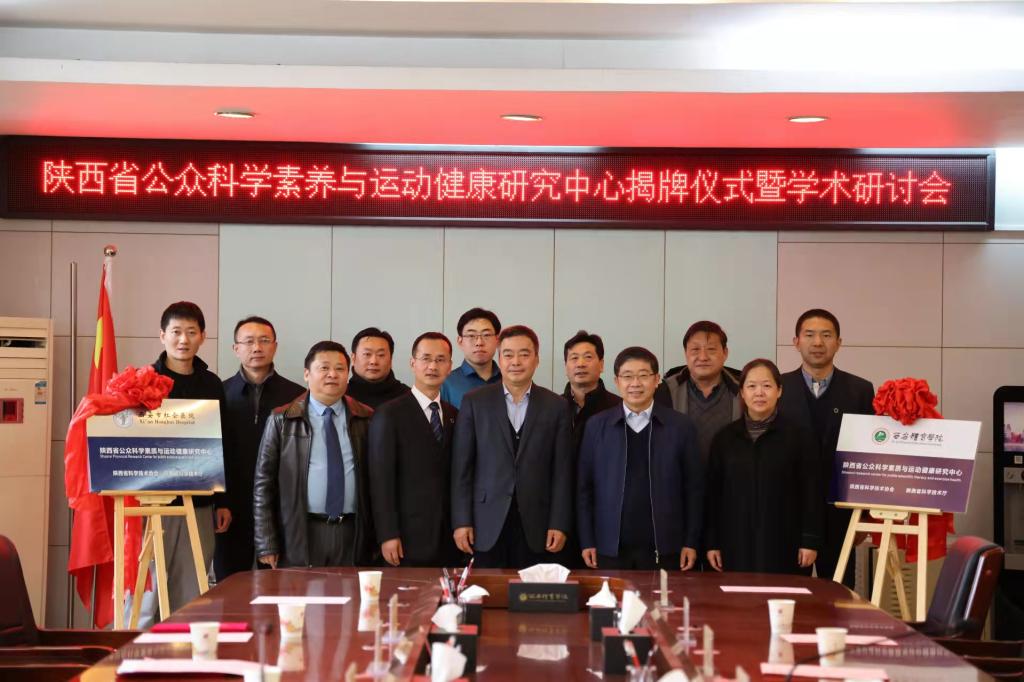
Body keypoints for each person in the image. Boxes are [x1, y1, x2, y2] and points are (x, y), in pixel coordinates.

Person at [451, 325, 573, 568]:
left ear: (536, 359)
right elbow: (462, 468)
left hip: (538, 523)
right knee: (486, 589)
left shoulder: (556, 405)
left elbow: (562, 471)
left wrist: (559, 523)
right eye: (508, 354)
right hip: (485, 521)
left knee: (533, 589)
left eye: (524, 354)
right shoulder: (475, 402)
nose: (516, 361)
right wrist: (461, 521)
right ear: (499, 359)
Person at [578, 346, 703, 571]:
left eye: (643, 375)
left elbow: (694, 489)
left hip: (667, 547)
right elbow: (584, 488)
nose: (635, 383)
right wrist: (587, 540)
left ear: (656, 380)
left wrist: (691, 541)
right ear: (617, 381)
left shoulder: (680, 427)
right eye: (627, 376)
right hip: (610, 547)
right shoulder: (597, 426)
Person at [253, 341, 376, 568]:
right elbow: (263, 484)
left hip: (353, 531)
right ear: (307, 374)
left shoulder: (366, 418)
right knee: (302, 591)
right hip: (301, 531)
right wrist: (266, 542)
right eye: (324, 368)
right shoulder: (282, 419)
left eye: (340, 369)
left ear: (348, 375)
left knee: (350, 591)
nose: (332, 374)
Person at [777, 308, 874, 585]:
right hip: (790, 513)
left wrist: (864, 516)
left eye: (826, 335)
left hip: (840, 514)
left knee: (839, 595)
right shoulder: (778, 387)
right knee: (790, 594)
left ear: (838, 342)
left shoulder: (860, 390)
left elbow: (867, 457)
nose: (818, 342)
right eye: (809, 335)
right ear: (796, 342)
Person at [705, 359, 821, 575]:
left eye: (767, 386)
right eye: (751, 386)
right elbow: (713, 496)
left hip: (786, 543)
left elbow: (812, 491)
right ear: (742, 392)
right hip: (735, 543)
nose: (759, 393)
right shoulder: (724, 439)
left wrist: (810, 540)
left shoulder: (799, 436)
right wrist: (712, 543)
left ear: (779, 391)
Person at [151, 301, 232, 611]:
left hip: (200, 501)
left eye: (191, 332)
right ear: (162, 336)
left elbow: (223, 443)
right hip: (152, 502)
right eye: (176, 332)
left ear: (203, 337)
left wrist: (223, 501)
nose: (183, 340)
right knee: (150, 587)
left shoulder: (211, 384)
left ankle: (184, 640)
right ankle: (142, 641)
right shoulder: (145, 381)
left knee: (192, 585)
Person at [217, 316, 305, 581]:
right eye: (249, 341)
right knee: (230, 583)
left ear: (275, 346)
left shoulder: (297, 396)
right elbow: (213, 455)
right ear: (236, 348)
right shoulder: (220, 393)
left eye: (264, 341)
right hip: (231, 506)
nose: (257, 347)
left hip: (280, 507)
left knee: (279, 585)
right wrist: (220, 502)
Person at [368, 332, 459, 567]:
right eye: (425, 358)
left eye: (440, 360)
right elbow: (380, 479)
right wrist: (387, 534)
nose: (432, 366)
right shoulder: (389, 413)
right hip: (406, 536)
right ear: (412, 363)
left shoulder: (454, 414)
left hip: (448, 536)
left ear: (450, 366)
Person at [655, 321, 743, 467]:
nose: (703, 357)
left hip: (731, 478)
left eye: (711, 349)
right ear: (686, 353)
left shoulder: (744, 390)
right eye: (695, 349)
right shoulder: (665, 391)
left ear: (725, 353)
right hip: (682, 479)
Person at [562, 330, 622, 454]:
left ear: (601, 364)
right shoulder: (553, 408)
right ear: (565, 367)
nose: (580, 364)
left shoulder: (619, 408)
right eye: (574, 358)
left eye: (588, 357)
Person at [441, 307, 502, 408]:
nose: (479, 342)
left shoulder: (509, 381)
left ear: (497, 340)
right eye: (471, 335)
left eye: (486, 335)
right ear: (460, 341)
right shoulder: (445, 383)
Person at [345, 327, 411, 409]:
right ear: (353, 358)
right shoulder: (340, 396)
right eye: (367, 354)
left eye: (381, 355)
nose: (374, 361)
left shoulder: (409, 397)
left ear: (391, 360)